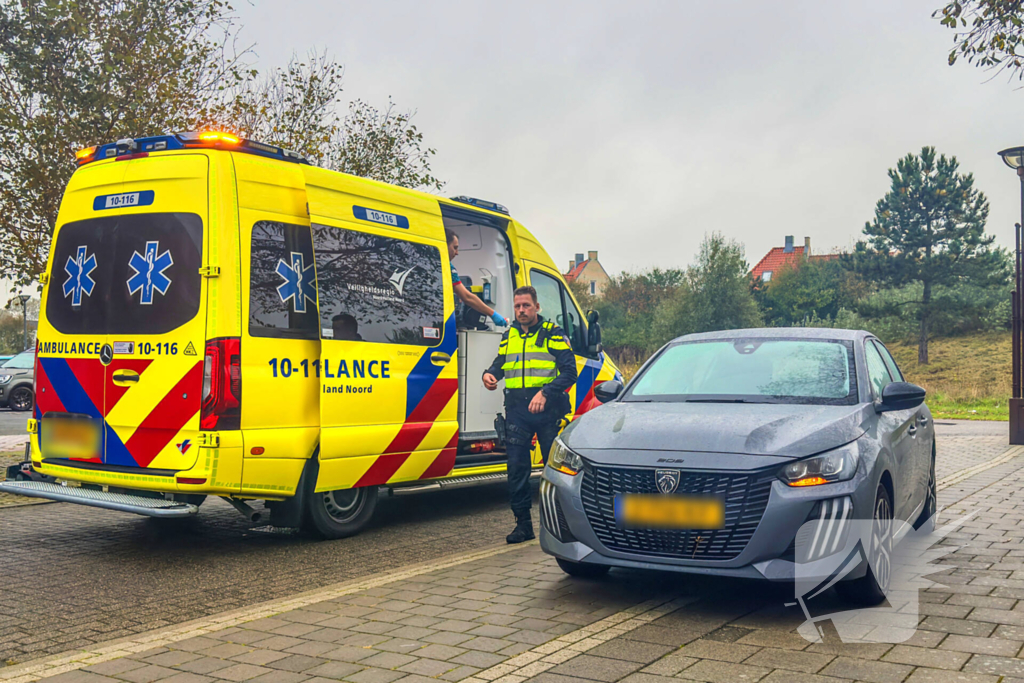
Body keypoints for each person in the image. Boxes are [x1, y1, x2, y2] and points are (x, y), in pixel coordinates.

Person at [482, 285, 577, 543]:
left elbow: (570, 372)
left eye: (526, 305)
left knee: (555, 472)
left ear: (537, 307)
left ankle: (560, 525)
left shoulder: (552, 334)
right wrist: (489, 375)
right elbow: (500, 364)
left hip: (547, 411)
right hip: (517, 412)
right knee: (516, 469)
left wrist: (546, 393)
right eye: (517, 306)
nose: (521, 310)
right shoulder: (509, 335)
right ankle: (523, 526)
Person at [446, 229, 508, 327]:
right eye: (455, 247)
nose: (457, 252)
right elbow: (467, 297)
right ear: (445, 245)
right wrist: (493, 314)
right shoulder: (447, 267)